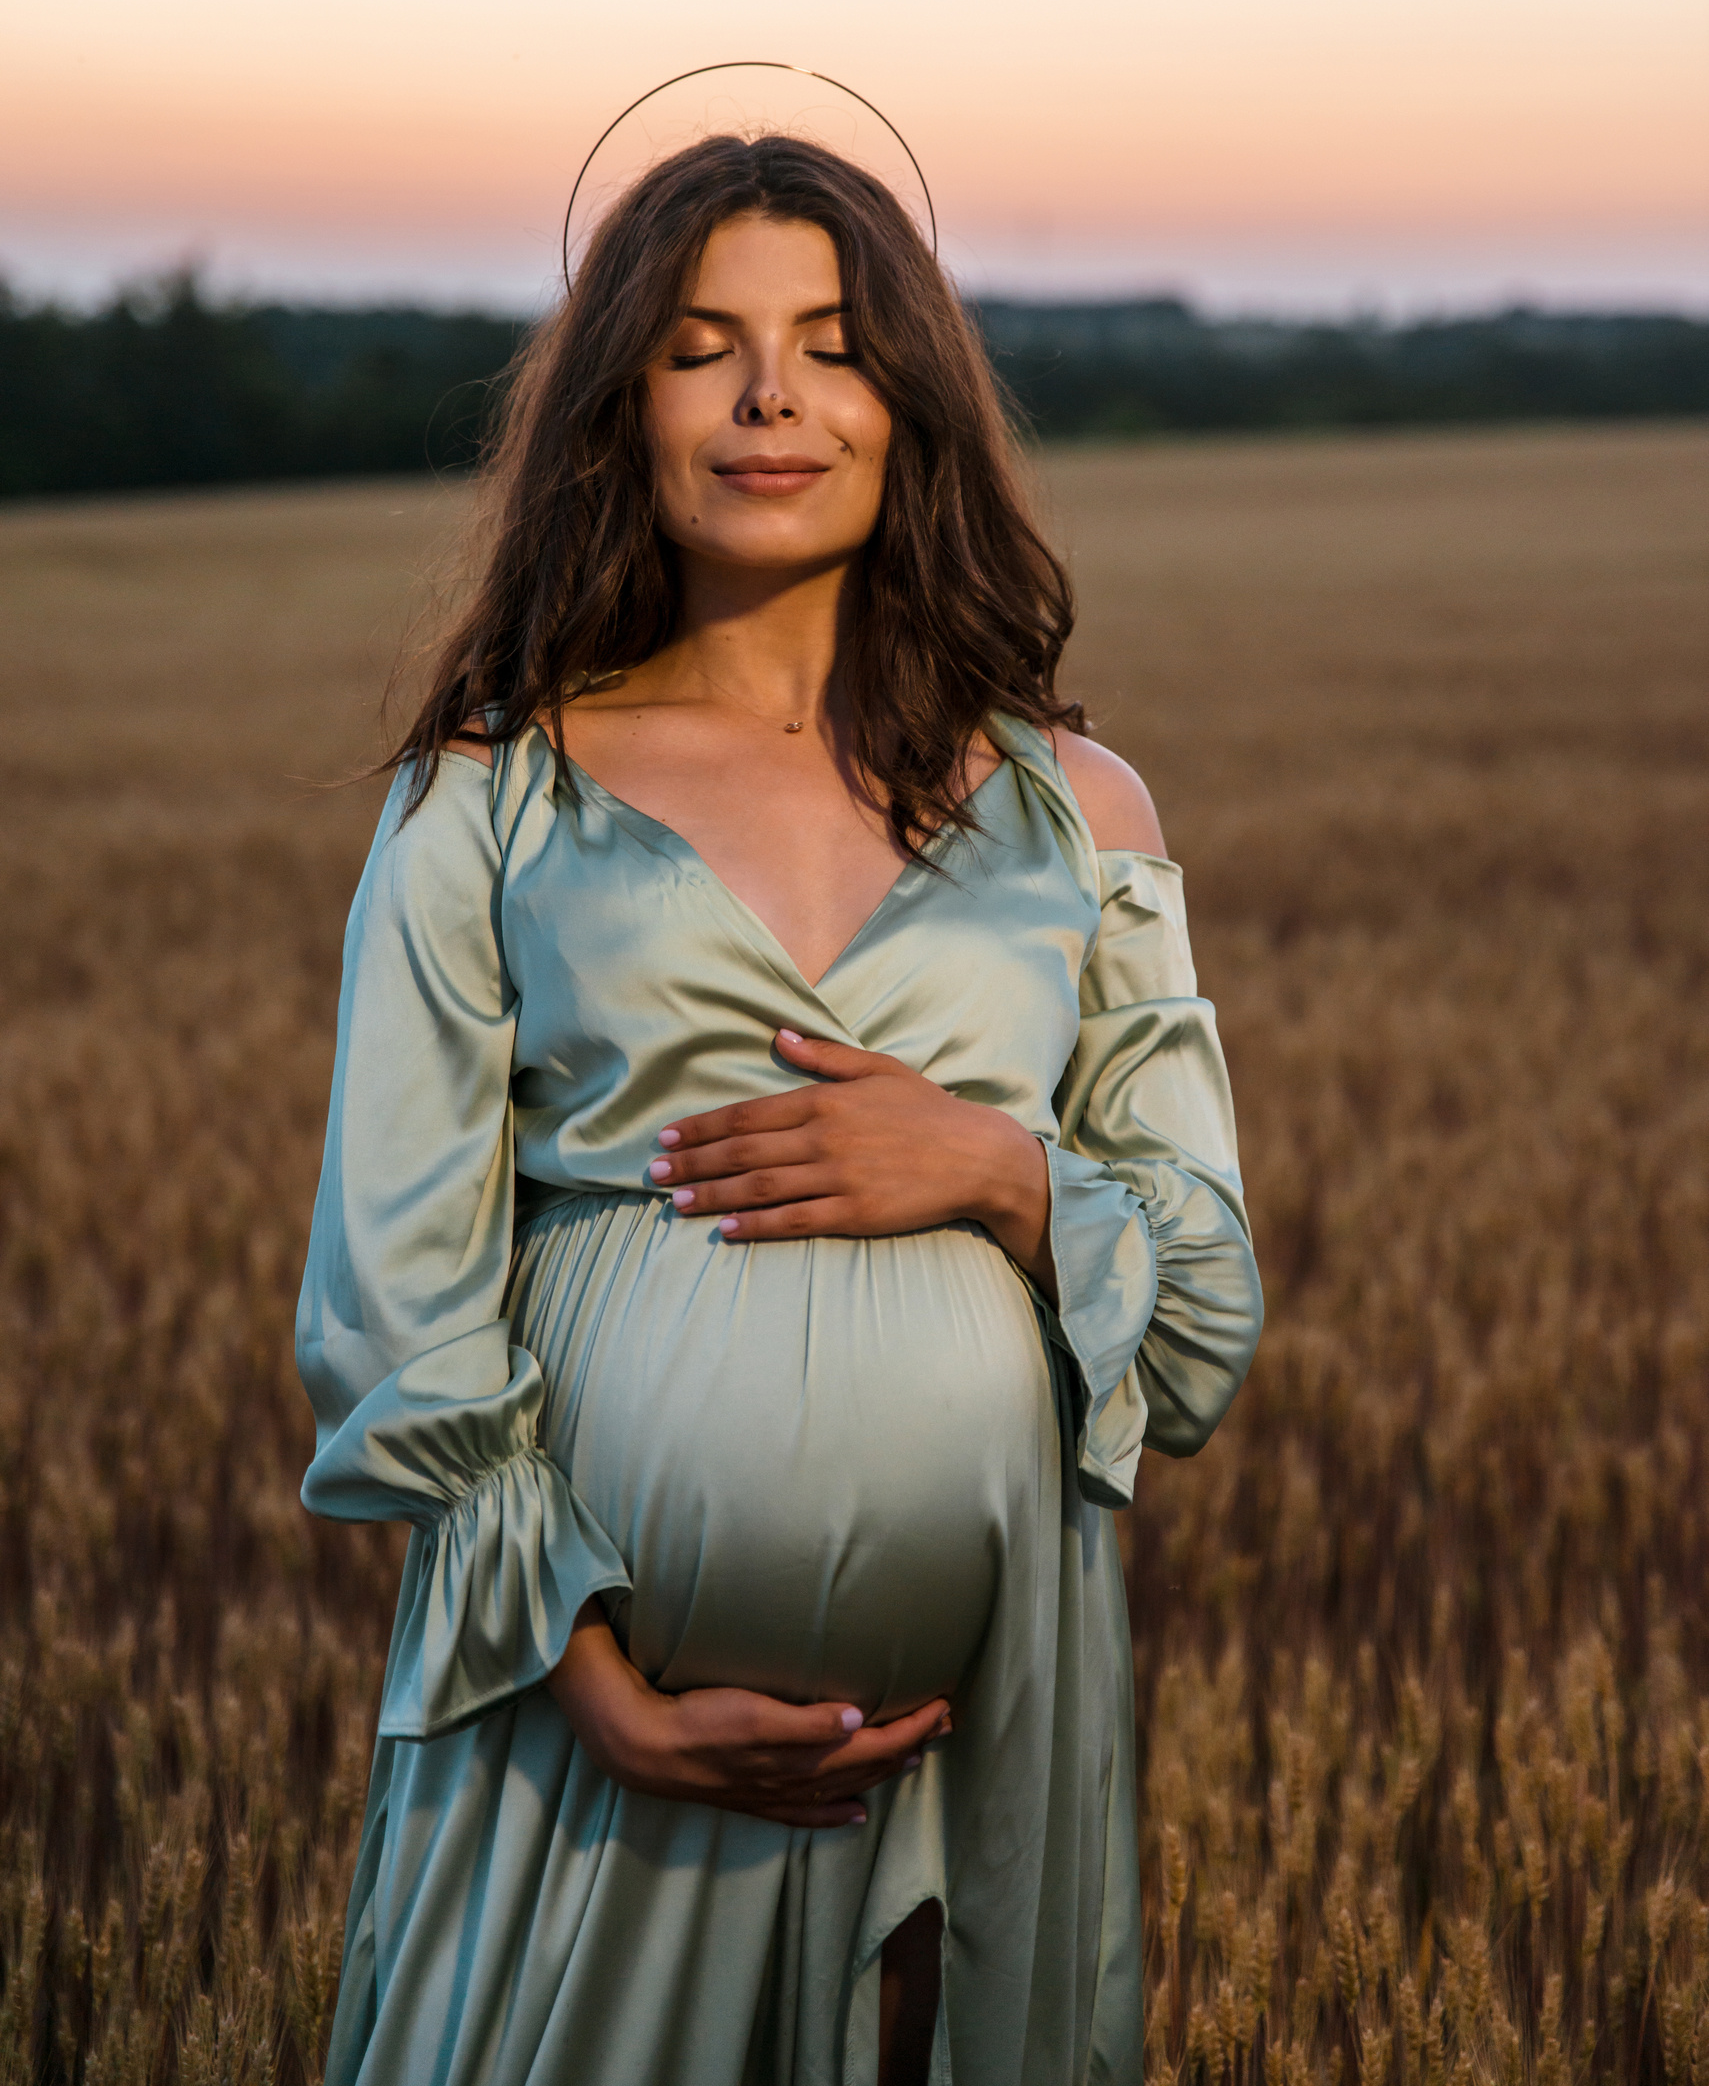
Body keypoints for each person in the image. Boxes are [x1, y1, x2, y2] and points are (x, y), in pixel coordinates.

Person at [295, 132, 1263, 2086]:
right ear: (616, 405)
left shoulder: (1081, 808)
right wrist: (600, 1686)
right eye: (699, 344)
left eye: (831, 342)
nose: (769, 397)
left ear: (908, 396)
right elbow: (395, 1305)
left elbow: (1204, 1296)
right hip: (580, 1737)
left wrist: (996, 1168)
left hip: (973, 1720)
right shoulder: (489, 795)